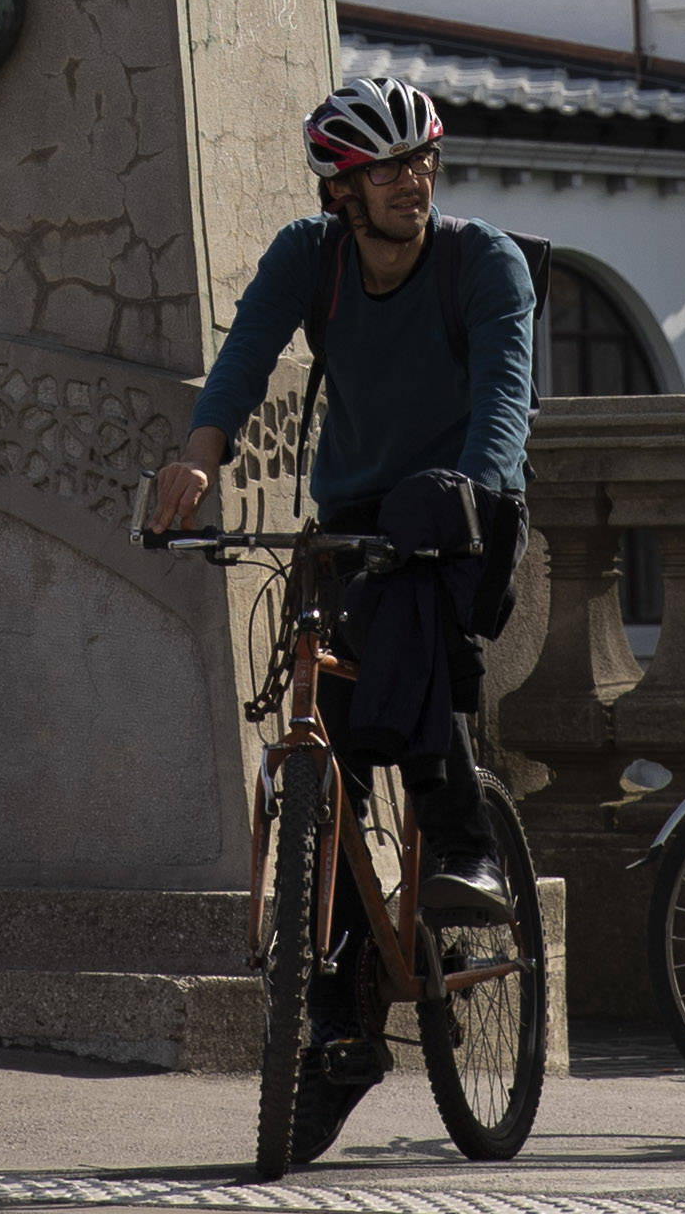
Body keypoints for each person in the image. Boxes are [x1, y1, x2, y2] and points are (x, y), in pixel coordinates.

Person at [144, 76, 535, 1092]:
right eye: (385, 170)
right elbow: (241, 362)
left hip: (464, 512)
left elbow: (503, 397)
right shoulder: (305, 261)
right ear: (340, 191)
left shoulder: (478, 262)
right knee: (334, 745)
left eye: (421, 161)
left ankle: (465, 845)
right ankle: (337, 1002)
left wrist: (470, 488)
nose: (412, 182)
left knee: (407, 616)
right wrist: (196, 458)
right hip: (355, 518)